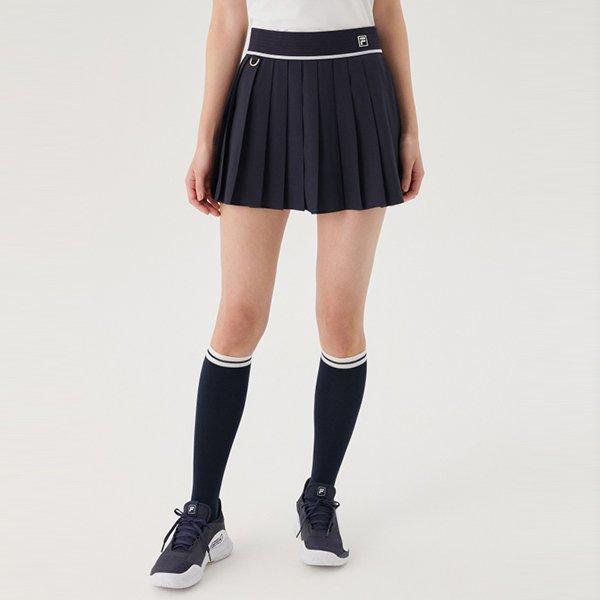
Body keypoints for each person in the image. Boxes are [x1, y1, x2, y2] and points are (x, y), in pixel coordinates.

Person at [150, 0, 424, 588]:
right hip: (263, 92)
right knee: (239, 316)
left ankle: (319, 496)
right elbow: (228, 20)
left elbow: (388, 13)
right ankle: (203, 511)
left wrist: (409, 127)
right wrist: (205, 138)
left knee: (340, 319)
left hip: (357, 90)